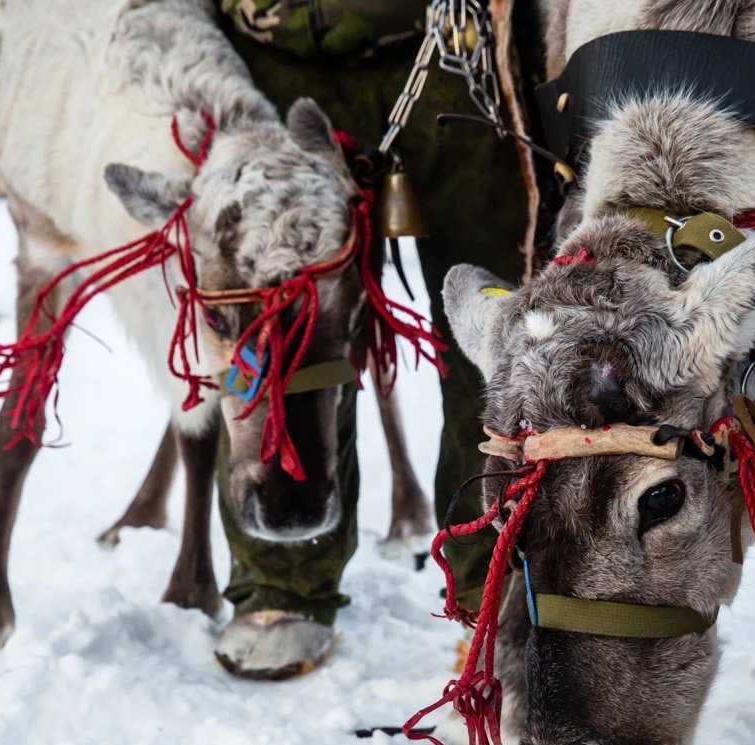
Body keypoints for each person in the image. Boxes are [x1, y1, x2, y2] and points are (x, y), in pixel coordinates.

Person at [212, 0, 528, 677]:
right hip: (271, 59)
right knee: (276, 330)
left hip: (453, 55)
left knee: (495, 324)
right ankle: (282, 576)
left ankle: (493, 584)